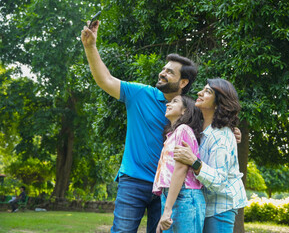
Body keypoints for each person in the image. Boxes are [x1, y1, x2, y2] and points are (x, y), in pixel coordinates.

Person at [81, 20, 198, 233]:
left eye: (170, 72)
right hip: (133, 182)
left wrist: (233, 132)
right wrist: (90, 47)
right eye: (164, 69)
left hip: (167, 188)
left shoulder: (188, 111)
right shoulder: (140, 93)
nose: (162, 73)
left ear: (183, 82)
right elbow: (105, 79)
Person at [173, 78, 248, 233]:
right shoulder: (199, 128)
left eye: (207, 91)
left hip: (220, 207)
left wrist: (194, 162)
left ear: (218, 103)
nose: (199, 93)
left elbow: (219, 181)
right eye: (203, 89)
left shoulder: (221, 136)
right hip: (204, 203)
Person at [153, 95, 205, 233]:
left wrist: (167, 211)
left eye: (174, 102)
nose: (168, 104)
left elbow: (180, 169)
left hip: (185, 197)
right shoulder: (172, 135)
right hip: (173, 196)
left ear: (184, 111)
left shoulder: (183, 130)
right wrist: (165, 210)